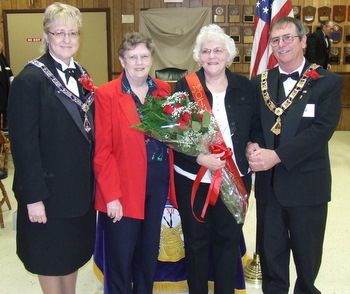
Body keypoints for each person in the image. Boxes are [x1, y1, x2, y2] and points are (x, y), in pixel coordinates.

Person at [248, 16, 343, 294]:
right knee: (271, 252)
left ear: (303, 41)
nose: (282, 44)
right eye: (276, 40)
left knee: (307, 254)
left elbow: (320, 131)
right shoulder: (259, 83)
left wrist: (275, 156)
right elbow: (253, 123)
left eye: (288, 37)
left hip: (307, 185)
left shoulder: (327, 82)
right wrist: (251, 145)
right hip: (269, 186)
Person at [7, 3, 96, 294]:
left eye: (73, 33)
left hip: (79, 190)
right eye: (59, 33)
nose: (67, 39)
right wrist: (33, 198)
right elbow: (24, 145)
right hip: (48, 192)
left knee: (71, 253)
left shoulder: (83, 75)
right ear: (46, 36)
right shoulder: (29, 80)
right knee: (49, 258)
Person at [173, 24, 261, 294]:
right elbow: (174, 135)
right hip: (194, 179)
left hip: (235, 177)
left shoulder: (244, 87)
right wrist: (200, 158)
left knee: (228, 241)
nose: (212, 56)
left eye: (218, 50)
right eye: (206, 51)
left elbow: (255, 126)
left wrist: (252, 145)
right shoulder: (185, 87)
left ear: (229, 54)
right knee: (197, 243)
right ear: (198, 56)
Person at [93, 32, 173, 294]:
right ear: (122, 60)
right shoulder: (107, 94)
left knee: (148, 254)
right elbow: (102, 151)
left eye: (144, 56)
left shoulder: (164, 90)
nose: (139, 62)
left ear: (152, 58)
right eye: (132, 57)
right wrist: (111, 196)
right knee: (121, 257)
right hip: (122, 185)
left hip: (158, 180)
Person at [0, 40, 14, 128]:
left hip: (4, 90)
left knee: (5, 109)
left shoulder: (2, 59)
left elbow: (8, 70)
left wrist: (12, 79)